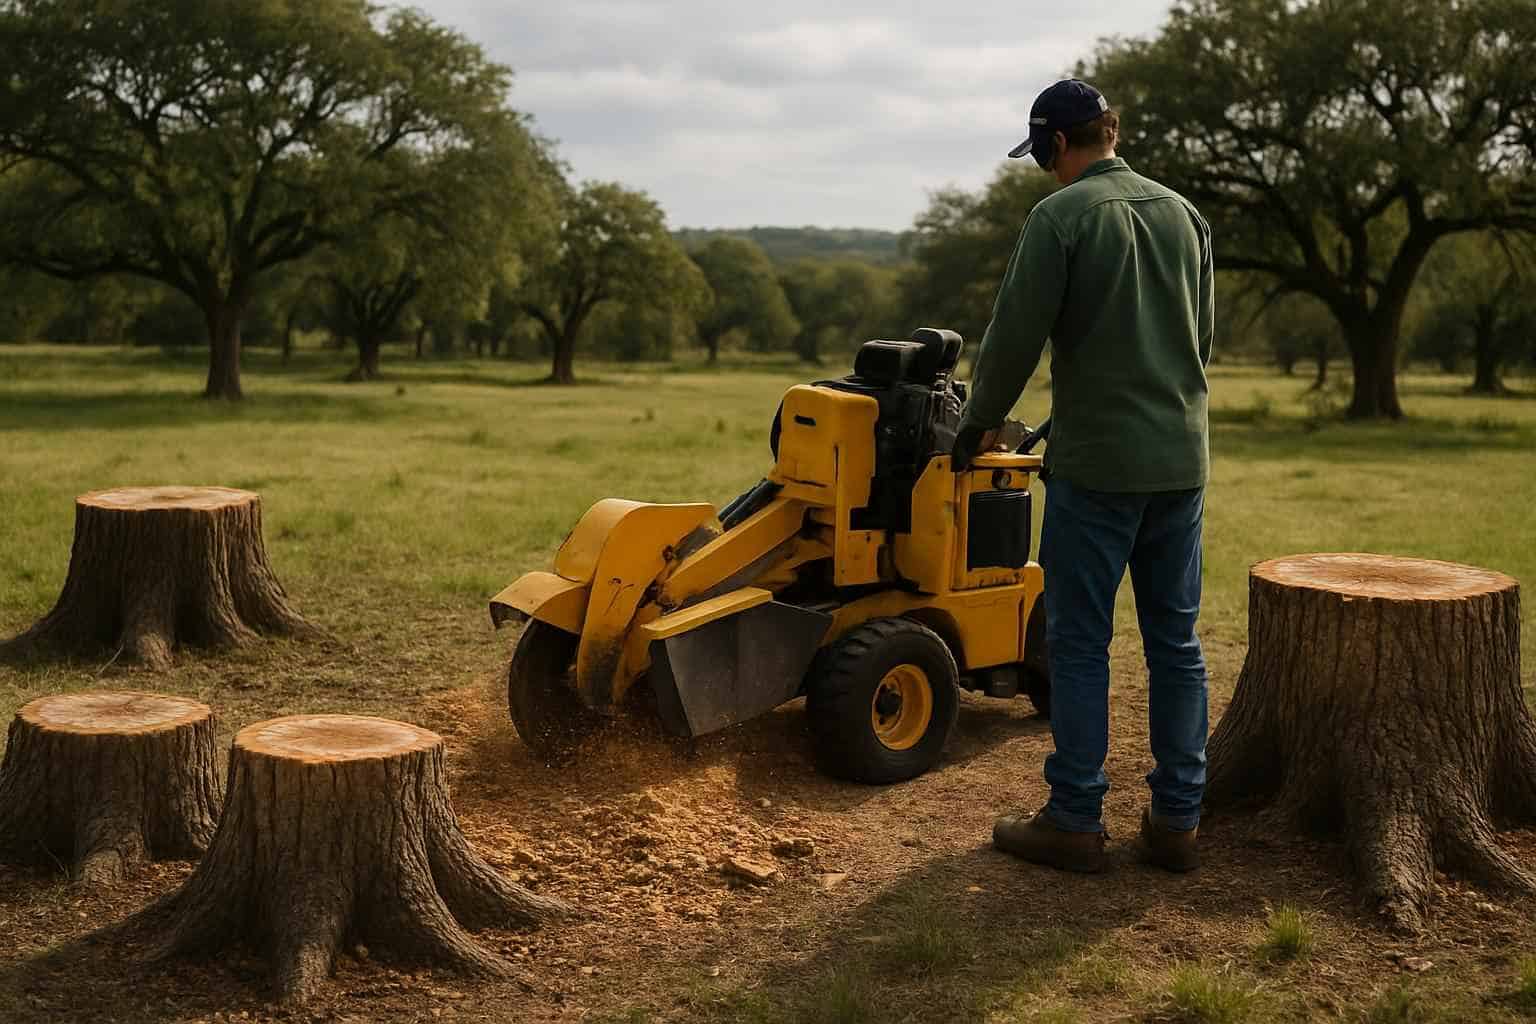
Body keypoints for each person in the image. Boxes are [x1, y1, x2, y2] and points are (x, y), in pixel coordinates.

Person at [951, 79, 1214, 874]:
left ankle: (1073, 817)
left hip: (1098, 471)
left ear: (1059, 144)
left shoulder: (1059, 217)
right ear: (1112, 131)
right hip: (1180, 462)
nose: (1045, 171)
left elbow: (1013, 338)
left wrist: (975, 426)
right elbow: (1196, 343)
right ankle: (1178, 820)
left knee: (1078, 642)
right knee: (1176, 642)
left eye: (1042, 157)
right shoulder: (1185, 215)